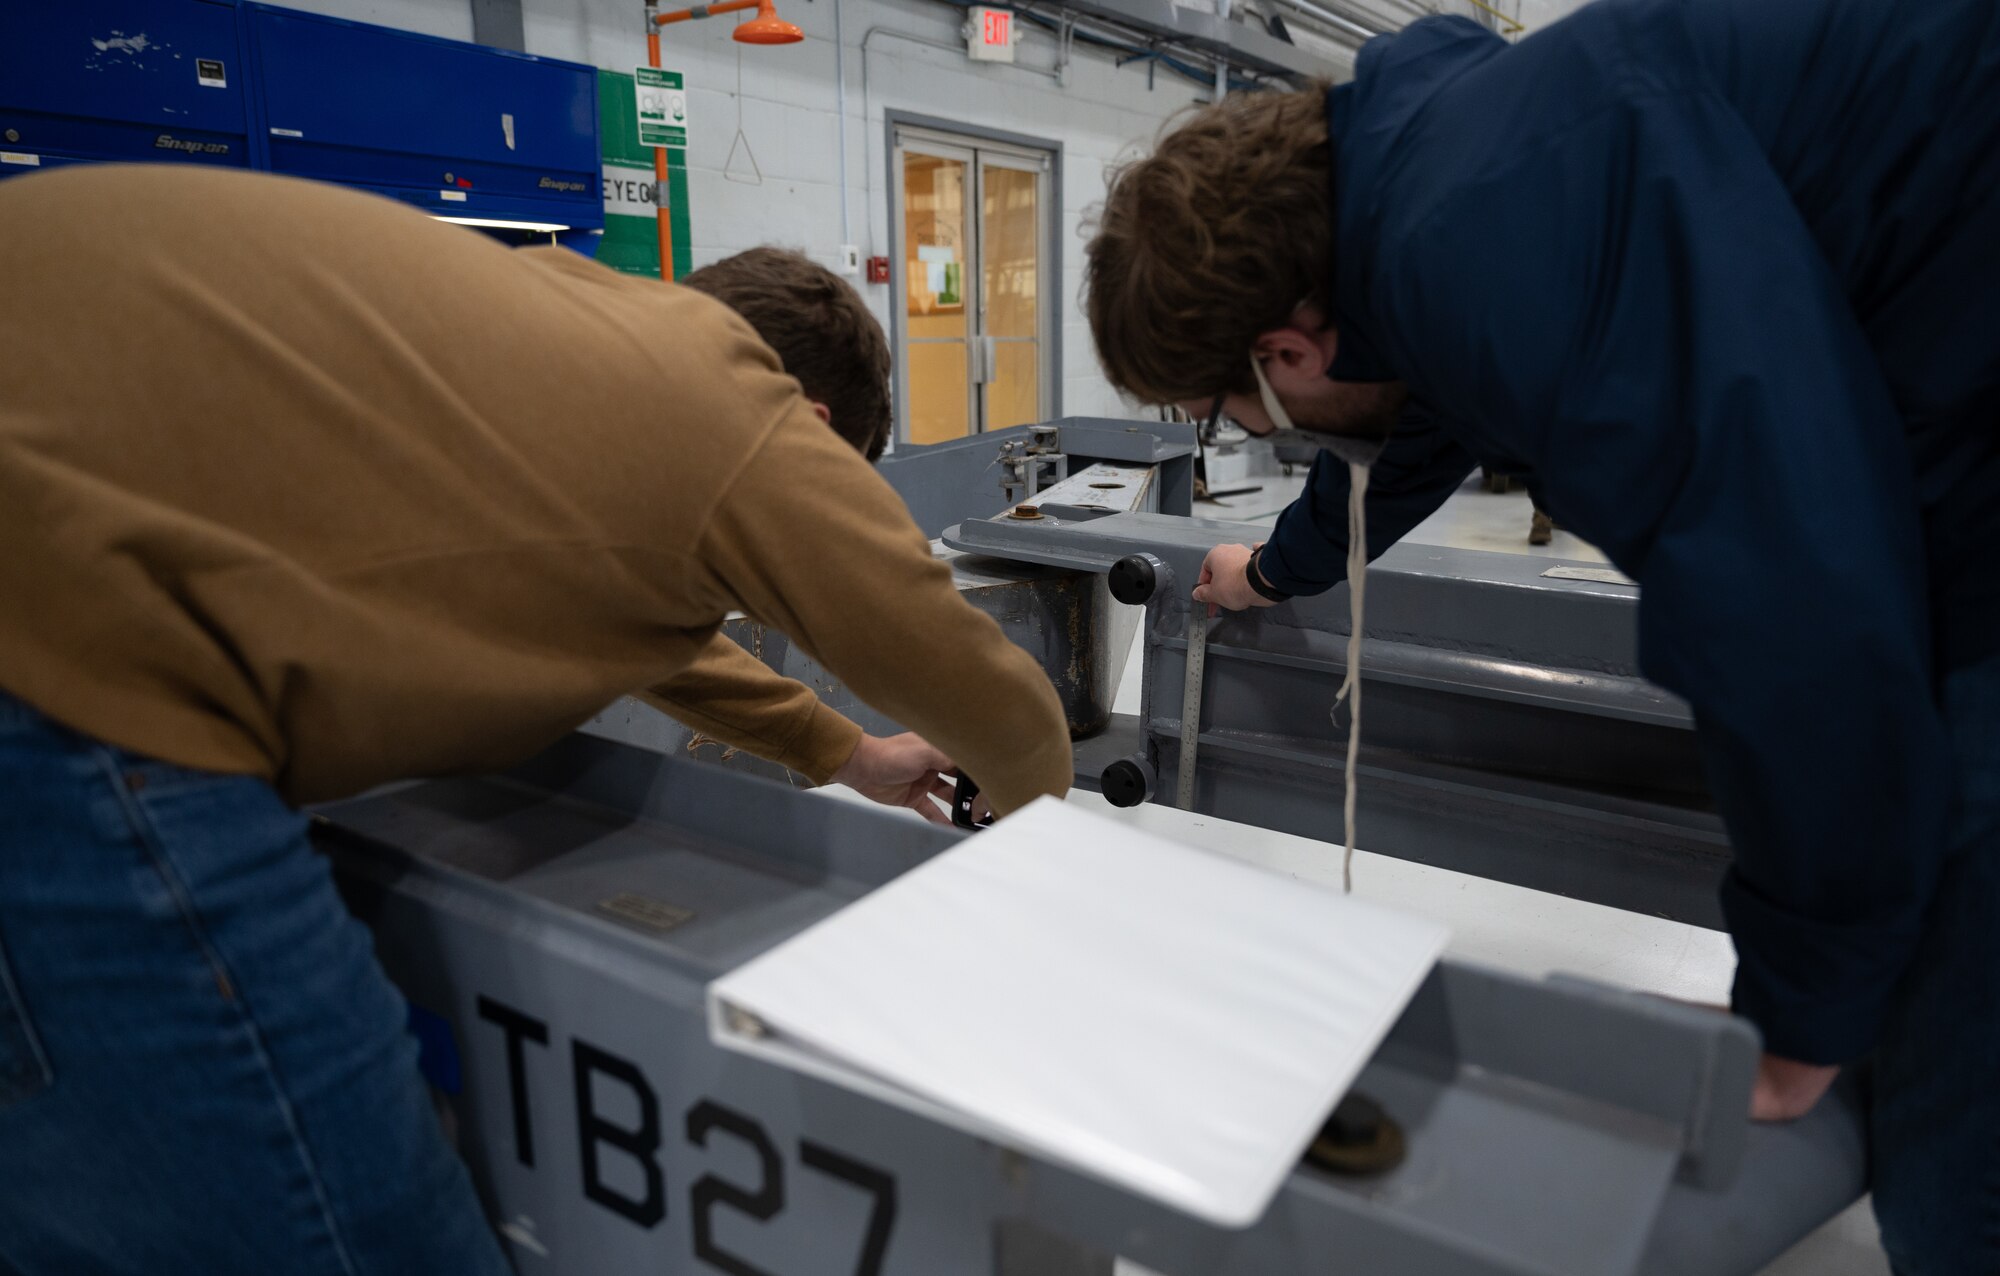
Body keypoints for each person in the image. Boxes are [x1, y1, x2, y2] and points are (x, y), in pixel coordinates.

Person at [0, 165, 1073, 1274]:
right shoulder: (734, 406)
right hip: (61, 670)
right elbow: (961, 668)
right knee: (372, 1232)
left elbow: (639, 612)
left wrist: (843, 750)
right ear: (810, 425)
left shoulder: (566, 325)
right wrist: (1051, 823)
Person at [1083, 0, 1998, 1269]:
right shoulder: (1424, 173)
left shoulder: (1493, 231)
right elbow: (1409, 428)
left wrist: (1796, 1015)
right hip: (1946, 334)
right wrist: (1274, 575)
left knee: (1947, 1002)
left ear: (1286, 347)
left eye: (1235, 410)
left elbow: (1782, 604)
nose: (1258, 430)